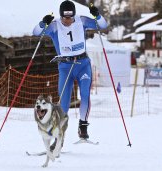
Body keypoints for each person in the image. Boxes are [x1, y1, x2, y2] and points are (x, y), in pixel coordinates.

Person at [33, 0, 108, 140]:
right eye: (65, 18)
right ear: (61, 16)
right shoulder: (55, 26)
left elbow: (103, 25)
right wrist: (43, 23)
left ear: (74, 15)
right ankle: (59, 133)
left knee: (85, 95)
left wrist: (97, 15)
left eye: (70, 17)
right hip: (65, 67)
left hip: (83, 65)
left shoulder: (82, 21)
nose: (68, 20)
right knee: (64, 102)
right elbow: (36, 32)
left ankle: (83, 125)